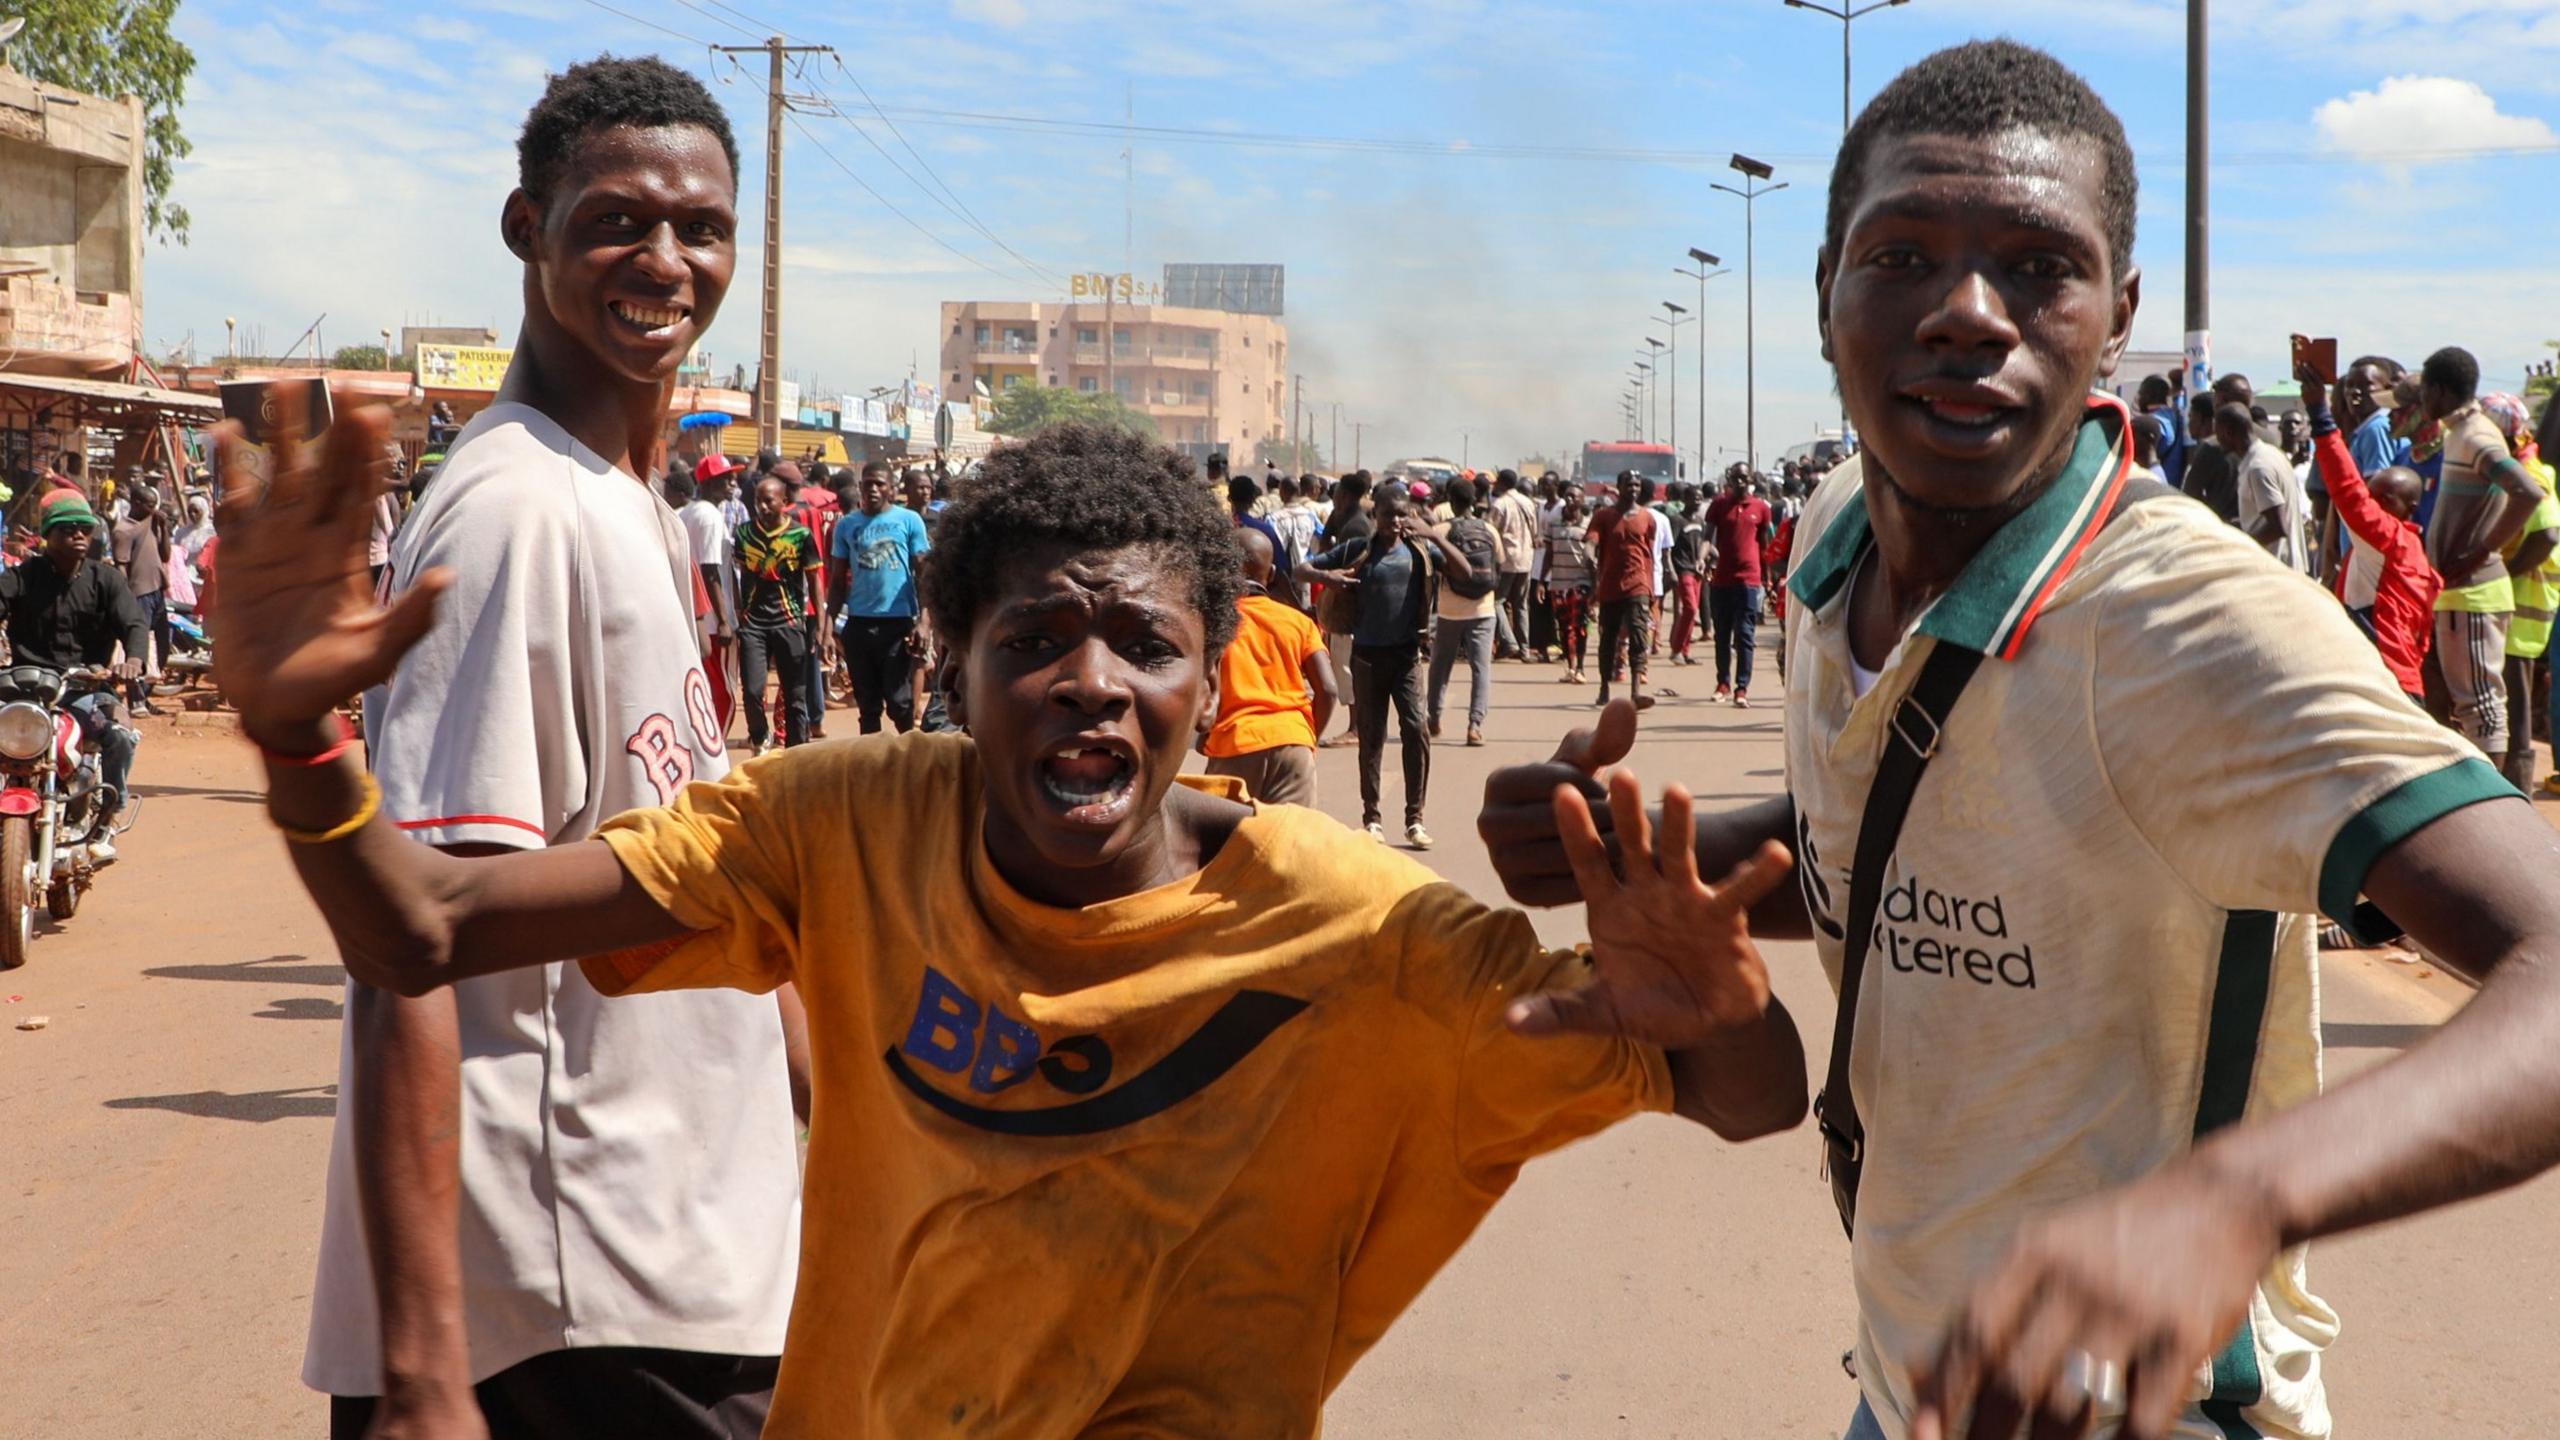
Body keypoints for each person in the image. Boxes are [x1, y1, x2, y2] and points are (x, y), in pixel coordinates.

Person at [221, 415, 1802, 1438]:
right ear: (954, 654)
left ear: (1209, 676)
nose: (1091, 682)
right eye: (1034, 637)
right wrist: (305, 746)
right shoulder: (839, 822)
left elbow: (1749, 1102)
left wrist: (1713, 1005)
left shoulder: (1351, 926)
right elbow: (422, 926)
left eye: (1143, 644)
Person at [1483, 39, 2560, 1440]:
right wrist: (1633, 855)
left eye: (2039, 267)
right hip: (1917, 1378)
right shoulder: (1833, 539)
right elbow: (1920, 831)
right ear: (1828, 298)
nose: (1965, 313)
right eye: (1904, 255)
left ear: (2115, 318)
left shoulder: (2190, 624)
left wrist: (2231, 1202)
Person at [286, 58, 802, 1440]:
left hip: (669, 1268)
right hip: (570, 1303)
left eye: (702, 230)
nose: (667, 261)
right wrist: (423, 1377)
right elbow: (414, 947)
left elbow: (718, 895)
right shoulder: (521, 515)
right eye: (618, 220)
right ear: (529, 229)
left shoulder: (621, 496)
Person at [1298, 487, 1472, 847]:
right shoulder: (1359, 549)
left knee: (1415, 730)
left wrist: (1431, 533)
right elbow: (1302, 569)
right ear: (1375, 514)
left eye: (1401, 514)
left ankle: (1415, 819)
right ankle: (1372, 818)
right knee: (1372, 738)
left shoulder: (1420, 550)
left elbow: (1465, 571)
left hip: (1407, 657)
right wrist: (1328, 578)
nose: (1395, 522)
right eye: (1388, 514)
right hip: (1367, 657)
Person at [2421, 345, 2546, 767]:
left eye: (2423, 388)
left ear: (2438, 389)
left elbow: (2527, 492)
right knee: (2472, 705)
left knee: (2482, 708)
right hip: (2461, 596)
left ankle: (2494, 806)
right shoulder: (2461, 432)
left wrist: (2482, 548)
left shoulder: (2475, 435)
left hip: (2474, 595)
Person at [0, 495, 146, 829]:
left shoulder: (106, 580)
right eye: (68, 530)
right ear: (48, 536)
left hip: (85, 686)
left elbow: (134, 623)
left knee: (119, 735)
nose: (79, 536)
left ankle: (110, 810)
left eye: (85, 529)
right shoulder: (23, 576)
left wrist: (133, 660)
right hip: (26, 688)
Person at [2299, 359, 2436, 705]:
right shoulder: (2413, 550)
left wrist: (2319, 412)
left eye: (2380, 498)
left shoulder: (2386, 540)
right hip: (2401, 676)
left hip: (2384, 680)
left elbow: (2348, 491)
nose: (2370, 504)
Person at [1200, 527, 1336, 805]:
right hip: (1293, 743)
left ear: (1224, 571)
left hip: (1234, 745)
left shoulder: (1213, 625)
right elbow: (1329, 689)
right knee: (1288, 842)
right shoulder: (1299, 622)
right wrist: (1308, 736)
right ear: (1272, 573)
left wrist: (1205, 735)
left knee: (1229, 844)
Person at [829, 459, 931, 735]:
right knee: (868, 706)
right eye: (867, 484)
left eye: (879, 484)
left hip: (898, 625)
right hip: (859, 625)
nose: (872, 489)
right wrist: (827, 627)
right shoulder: (847, 526)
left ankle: (910, 762)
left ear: (891, 489)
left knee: (900, 704)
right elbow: (837, 581)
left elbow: (924, 574)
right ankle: (871, 768)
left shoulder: (909, 521)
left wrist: (924, 622)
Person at [734, 475, 824, 753]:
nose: (761, 506)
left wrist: (819, 625)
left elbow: (814, 581)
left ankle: (798, 751)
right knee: (751, 690)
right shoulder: (743, 534)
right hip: (754, 624)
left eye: (767, 500)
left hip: (789, 620)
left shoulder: (800, 535)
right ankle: (759, 737)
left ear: (784, 502)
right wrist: (740, 614)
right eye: (757, 500)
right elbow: (738, 575)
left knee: (796, 693)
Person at [1426, 475, 1501, 747]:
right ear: (1474, 501)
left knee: (1440, 666)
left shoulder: (1441, 530)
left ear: (1451, 501)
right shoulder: (1489, 530)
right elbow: (1499, 564)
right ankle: (1475, 725)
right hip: (1483, 608)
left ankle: (1433, 717)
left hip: (1449, 609)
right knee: (1481, 669)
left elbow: (1431, 568)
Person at [1585, 470, 1659, 712]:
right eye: (1629, 484)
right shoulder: (1604, 516)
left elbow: (1649, 554)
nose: (1634, 489)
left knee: (1639, 634)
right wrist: (1590, 558)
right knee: (1608, 638)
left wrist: (1651, 589)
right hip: (1610, 586)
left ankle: (1636, 691)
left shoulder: (1648, 518)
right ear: (1619, 486)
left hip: (1638, 583)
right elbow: (1591, 542)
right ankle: (1604, 685)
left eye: (1637, 484)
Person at [1703, 467, 1772, 707]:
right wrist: (1702, 557)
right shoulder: (1719, 506)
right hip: (1722, 580)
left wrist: (1768, 578)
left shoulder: (1761, 509)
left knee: (1745, 635)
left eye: (1744, 478)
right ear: (1730, 480)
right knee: (1722, 634)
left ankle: (1741, 688)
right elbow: (1707, 537)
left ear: (1751, 481)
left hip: (1749, 581)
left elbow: (1764, 546)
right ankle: (1723, 683)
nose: (1740, 482)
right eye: (1736, 478)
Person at [1313, 471, 1372, 748]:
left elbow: (1342, 569)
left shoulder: (1356, 527)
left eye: (1336, 495)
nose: (1332, 499)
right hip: (1342, 608)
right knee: (1342, 665)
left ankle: (1356, 727)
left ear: (1345, 496)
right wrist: (1332, 522)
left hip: (1350, 609)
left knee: (1346, 668)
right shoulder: (1344, 520)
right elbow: (1324, 549)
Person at [681, 455, 740, 728]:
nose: (732, 483)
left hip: (694, 616)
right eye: (725, 479)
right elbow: (711, 570)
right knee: (723, 694)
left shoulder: (686, 512)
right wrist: (725, 620)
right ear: (707, 482)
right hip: (714, 623)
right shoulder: (710, 516)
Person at [2220, 401, 2311, 572]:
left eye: (2217, 432)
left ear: (2228, 432)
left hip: (2275, 571)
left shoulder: (2258, 467)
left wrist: (2240, 544)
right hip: (2287, 567)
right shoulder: (2272, 454)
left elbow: (2277, 527)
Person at [108, 482, 171, 714]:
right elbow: (121, 566)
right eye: (149, 504)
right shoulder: (123, 530)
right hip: (138, 593)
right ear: (135, 503)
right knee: (138, 645)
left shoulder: (153, 522)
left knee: (162, 647)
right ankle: (136, 699)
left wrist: (163, 528)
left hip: (157, 590)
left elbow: (165, 555)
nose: (154, 508)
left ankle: (146, 694)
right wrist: (125, 598)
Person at [1539, 487, 1596, 685]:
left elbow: (1594, 557)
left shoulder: (1589, 526)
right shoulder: (1554, 525)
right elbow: (1549, 554)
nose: (1570, 499)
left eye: (1575, 496)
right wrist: (1541, 581)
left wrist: (1596, 587)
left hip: (1581, 583)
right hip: (1558, 583)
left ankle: (1580, 667)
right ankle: (1570, 667)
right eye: (1568, 496)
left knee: (1580, 626)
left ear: (1582, 500)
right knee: (1564, 627)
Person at [1487, 468, 1539, 659]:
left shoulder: (1501, 504)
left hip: (1506, 559)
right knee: (1521, 604)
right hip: (1526, 558)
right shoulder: (1528, 503)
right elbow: (1535, 532)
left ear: (1501, 483)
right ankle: (1525, 649)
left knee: (1496, 601)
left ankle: (1510, 642)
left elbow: (1490, 532)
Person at [1667, 483, 1711, 666]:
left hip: (1697, 571)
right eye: (1693, 498)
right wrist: (1671, 570)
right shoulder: (1677, 520)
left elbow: (1705, 543)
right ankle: (1676, 649)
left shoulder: (1700, 522)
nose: (1697, 501)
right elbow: (1668, 548)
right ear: (1685, 500)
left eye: (1700, 498)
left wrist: (1703, 560)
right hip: (1682, 569)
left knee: (1692, 613)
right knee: (1690, 608)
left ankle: (1685, 652)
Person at [2181, 390, 2239, 522]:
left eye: (2191, 417)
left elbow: (2189, 494)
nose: (2188, 423)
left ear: (2205, 420)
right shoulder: (2238, 443)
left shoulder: (2209, 448)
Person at [2135, 372, 2187, 489]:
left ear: (2149, 396)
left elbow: (2161, 432)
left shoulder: (2160, 421)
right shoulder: (2173, 414)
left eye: (2141, 394)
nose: (2139, 399)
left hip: (2159, 485)